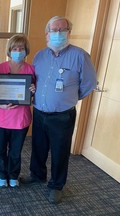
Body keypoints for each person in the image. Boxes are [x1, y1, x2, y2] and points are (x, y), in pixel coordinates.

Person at [22, 16, 97, 204]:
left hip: (63, 115)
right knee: (38, 147)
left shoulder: (80, 56)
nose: (57, 33)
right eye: (53, 30)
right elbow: (34, 81)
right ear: (47, 34)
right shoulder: (39, 56)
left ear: (68, 32)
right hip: (39, 112)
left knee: (59, 151)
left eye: (61, 29)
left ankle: (56, 185)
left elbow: (88, 85)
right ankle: (38, 175)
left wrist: (68, 98)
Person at [0, 34, 35, 188]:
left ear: (26, 50)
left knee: (16, 151)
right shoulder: (0, 68)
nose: (18, 51)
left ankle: (13, 174)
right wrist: (0, 104)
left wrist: (33, 90)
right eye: (15, 48)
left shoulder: (31, 69)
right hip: (1, 117)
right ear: (9, 50)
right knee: (0, 149)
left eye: (21, 48)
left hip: (20, 119)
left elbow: (34, 93)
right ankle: (2, 174)